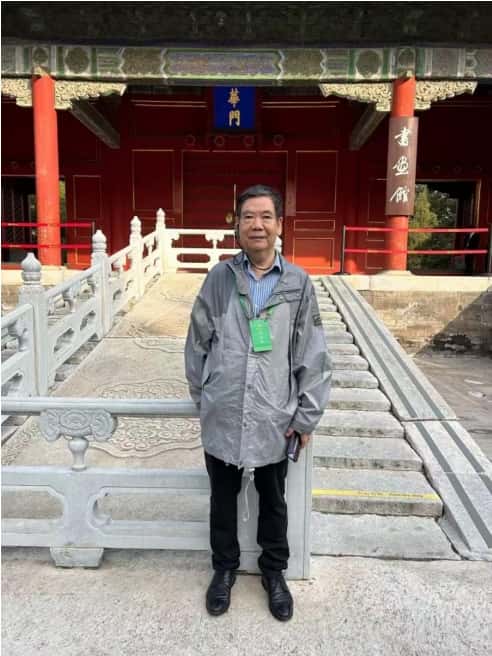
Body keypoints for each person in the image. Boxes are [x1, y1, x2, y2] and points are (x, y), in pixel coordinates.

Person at [185, 184, 331, 621]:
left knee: (273, 498)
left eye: (266, 216)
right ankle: (224, 569)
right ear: (237, 225)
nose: (257, 225)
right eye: (248, 216)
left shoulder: (298, 283)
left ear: (279, 224)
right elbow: (197, 339)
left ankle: (274, 572)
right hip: (225, 409)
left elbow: (312, 351)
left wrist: (306, 416)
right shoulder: (219, 278)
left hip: (274, 412)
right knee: (222, 498)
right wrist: (206, 395)